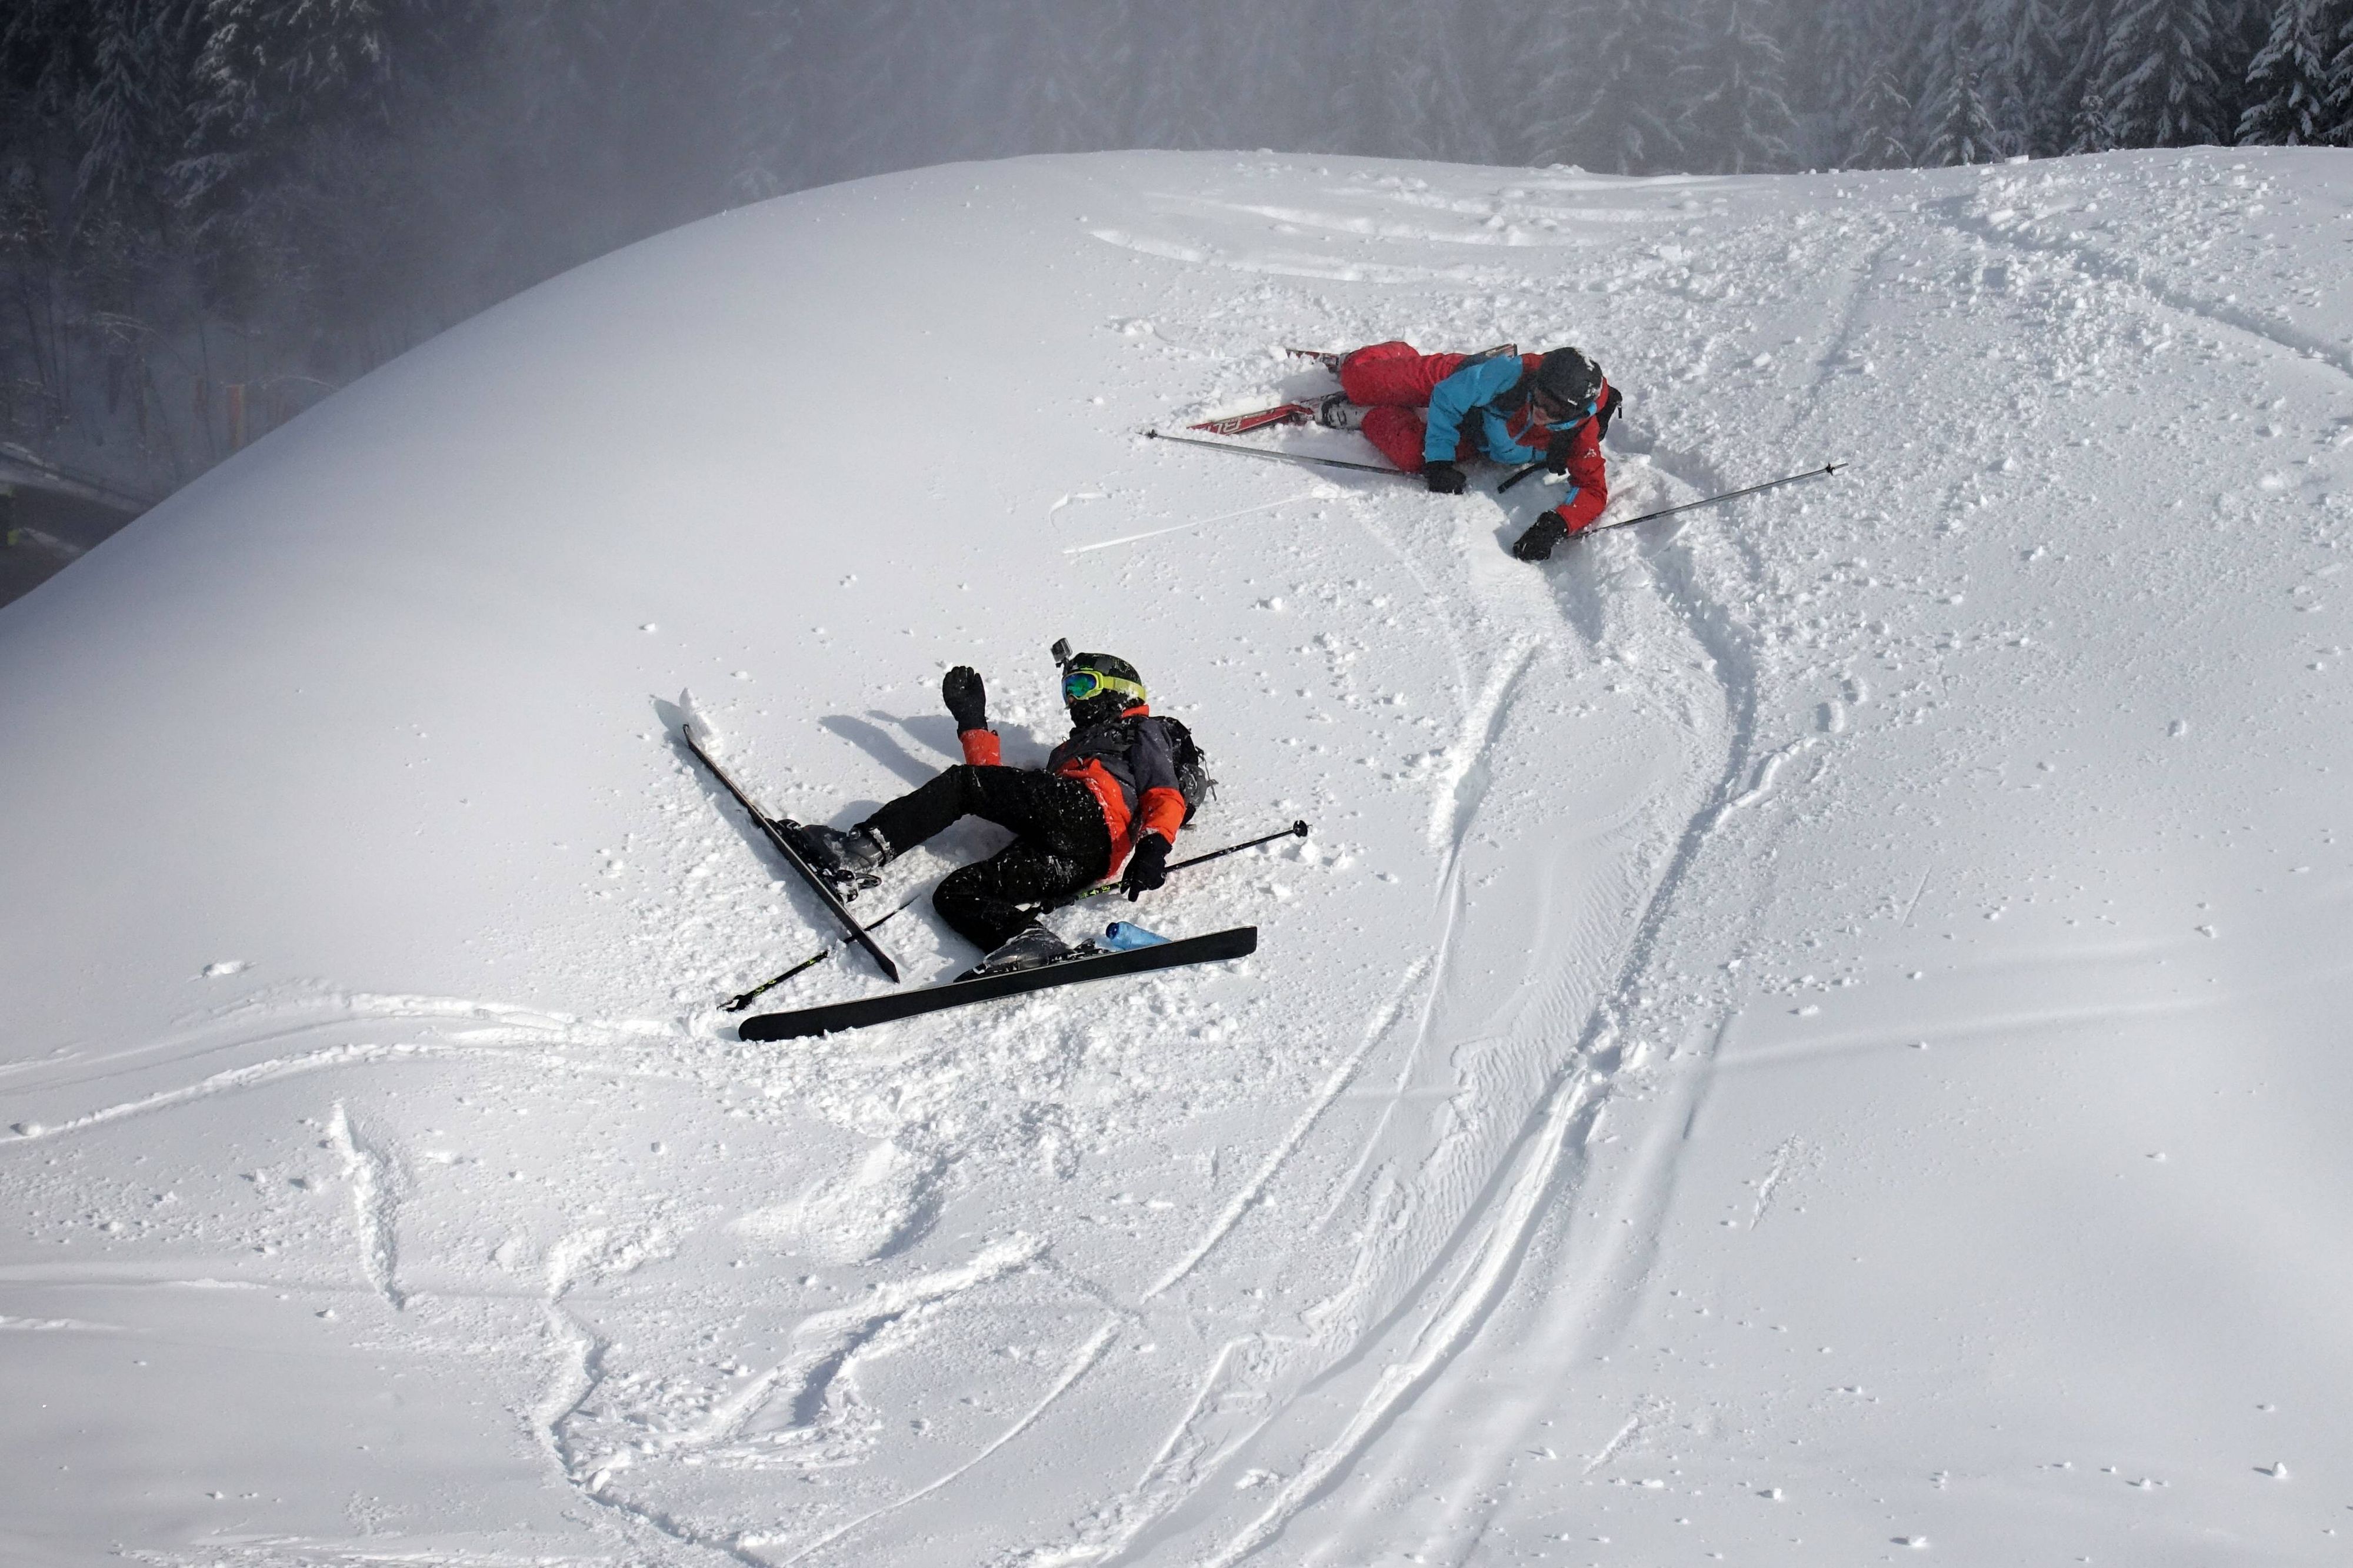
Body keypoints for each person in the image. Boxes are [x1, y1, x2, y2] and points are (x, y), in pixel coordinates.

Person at [787, 652, 1193, 973]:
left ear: (1121, 689)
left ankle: (857, 851)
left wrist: (1154, 847)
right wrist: (972, 722)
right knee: (957, 892)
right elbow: (995, 784)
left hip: (1089, 810)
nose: (1073, 699)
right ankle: (1031, 941)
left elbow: (1164, 793)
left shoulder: (1141, 729)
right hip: (1086, 859)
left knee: (965, 785)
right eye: (1068, 689)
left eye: (1084, 685)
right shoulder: (1067, 753)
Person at [1321, 341, 1621, 561]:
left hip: (1478, 434)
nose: (1542, 411)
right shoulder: (1512, 374)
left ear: (1576, 412)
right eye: (1540, 398)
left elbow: (1593, 490)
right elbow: (1448, 396)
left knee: (1413, 457)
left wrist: (1557, 525)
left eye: (1555, 409)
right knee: (1359, 380)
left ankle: (1369, 414)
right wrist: (1440, 459)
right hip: (1459, 378)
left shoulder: (1581, 432)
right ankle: (1376, 359)